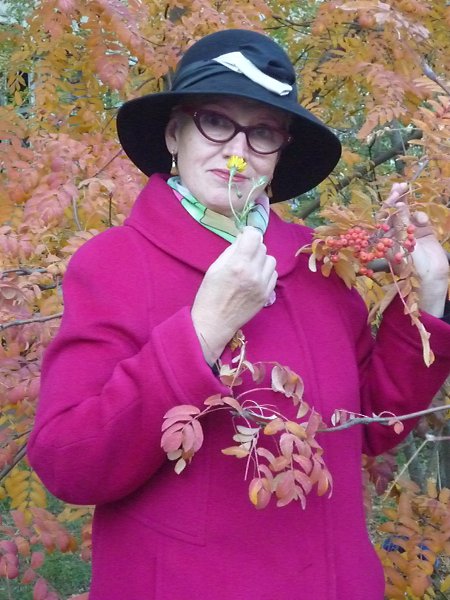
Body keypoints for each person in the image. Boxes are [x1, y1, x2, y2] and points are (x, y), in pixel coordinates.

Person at [28, 29, 450, 600]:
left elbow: (372, 427)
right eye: (215, 121)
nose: (238, 151)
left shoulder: (316, 263)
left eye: (263, 132)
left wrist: (427, 298)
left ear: (279, 153)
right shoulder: (114, 263)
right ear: (174, 134)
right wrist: (203, 332)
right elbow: (70, 464)